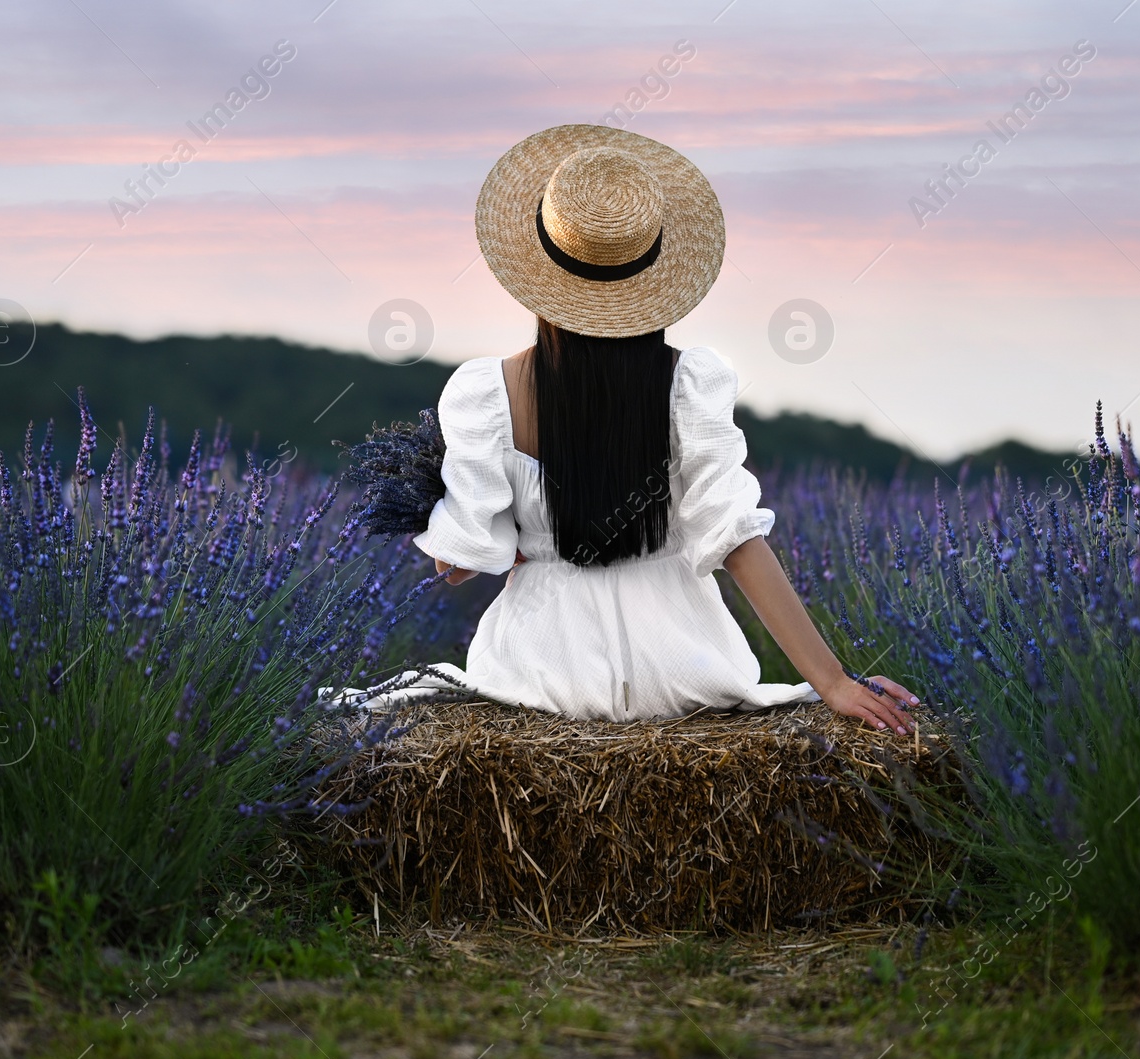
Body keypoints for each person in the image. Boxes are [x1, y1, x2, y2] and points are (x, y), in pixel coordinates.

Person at [338, 124, 919, 731]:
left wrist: (439, 505)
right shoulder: (693, 384)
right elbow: (737, 541)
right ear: (655, 277)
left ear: (538, 274)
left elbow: (463, 560)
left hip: (543, 672)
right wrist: (831, 682)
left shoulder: (486, 394)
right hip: (682, 668)